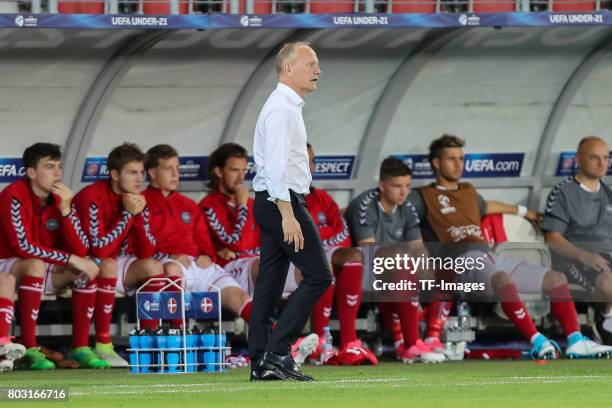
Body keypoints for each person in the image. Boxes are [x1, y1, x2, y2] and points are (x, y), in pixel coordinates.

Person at [408, 134, 612, 359]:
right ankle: (538, 341)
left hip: (488, 256)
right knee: (502, 278)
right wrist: (421, 253)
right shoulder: (423, 196)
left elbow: (489, 206)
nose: (459, 165)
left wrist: (526, 212)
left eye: (461, 159)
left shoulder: (468, 191)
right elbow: (406, 221)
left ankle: (575, 341)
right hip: (459, 262)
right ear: (436, 163)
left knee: (556, 280)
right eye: (451, 159)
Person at [248, 41, 331, 382]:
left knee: (269, 282)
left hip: (271, 201)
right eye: (310, 63)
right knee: (318, 276)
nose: (317, 70)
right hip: (281, 201)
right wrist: (288, 213)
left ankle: (259, 360)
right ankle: (279, 352)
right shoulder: (282, 108)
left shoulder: (284, 105)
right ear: (288, 68)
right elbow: (278, 167)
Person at [0, 143, 103, 370]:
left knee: (89, 269)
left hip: (44, 266)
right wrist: (71, 260)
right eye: (49, 167)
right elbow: (23, 247)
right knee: (39, 264)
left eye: (59, 166)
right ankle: (29, 348)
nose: (57, 173)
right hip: (8, 265)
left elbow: (82, 249)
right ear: (31, 172)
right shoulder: (13, 195)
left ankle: (81, 347)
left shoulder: (60, 197)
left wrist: (66, 209)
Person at [344, 158, 446, 364]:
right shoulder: (365, 205)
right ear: (382, 185)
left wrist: (426, 267)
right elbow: (368, 250)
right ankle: (409, 343)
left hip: (396, 266)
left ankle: (430, 339)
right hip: (362, 268)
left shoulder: (407, 207)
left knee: (439, 270)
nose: (403, 192)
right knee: (401, 267)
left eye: (407, 186)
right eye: (397, 186)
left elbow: (418, 247)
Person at [74, 142, 164, 366]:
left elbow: (146, 251)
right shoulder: (91, 197)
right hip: (81, 262)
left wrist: (139, 213)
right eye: (132, 173)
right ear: (114, 174)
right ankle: (101, 344)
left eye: (141, 173)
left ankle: (149, 342)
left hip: (113, 260)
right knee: (106, 264)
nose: (139, 179)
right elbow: (98, 249)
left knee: (154, 266)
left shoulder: (137, 197)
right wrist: (127, 214)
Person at [143, 144, 253, 326]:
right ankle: (179, 334)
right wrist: (168, 256)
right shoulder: (141, 201)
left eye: (177, 169)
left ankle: (280, 343)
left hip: (197, 264)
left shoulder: (188, 204)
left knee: (239, 296)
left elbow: (203, 239)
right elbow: (137, 246)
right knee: (172, 268)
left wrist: (207, 255)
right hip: (167, 263)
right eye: (168, 169)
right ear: (153, 172)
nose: (175, 174)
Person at [304, 143, 377, 365]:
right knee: (322, 264)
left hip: (322, 254)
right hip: (292, 260)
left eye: (311, 161)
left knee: (354, 256)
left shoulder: (323, 199)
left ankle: (349, 342)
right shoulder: (277, 198)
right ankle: (319, 342)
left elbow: (340, 237)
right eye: (301, 161)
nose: (308, 167)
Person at [542, 136, 612, 345]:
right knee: (609, 281)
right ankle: (606, 321)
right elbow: (552, 238)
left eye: (605, 158)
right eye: (594, 158)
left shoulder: (609, 192)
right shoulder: (563, 192)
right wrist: (584, 255)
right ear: (578, 160)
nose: (601, 163)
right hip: (575, 258)